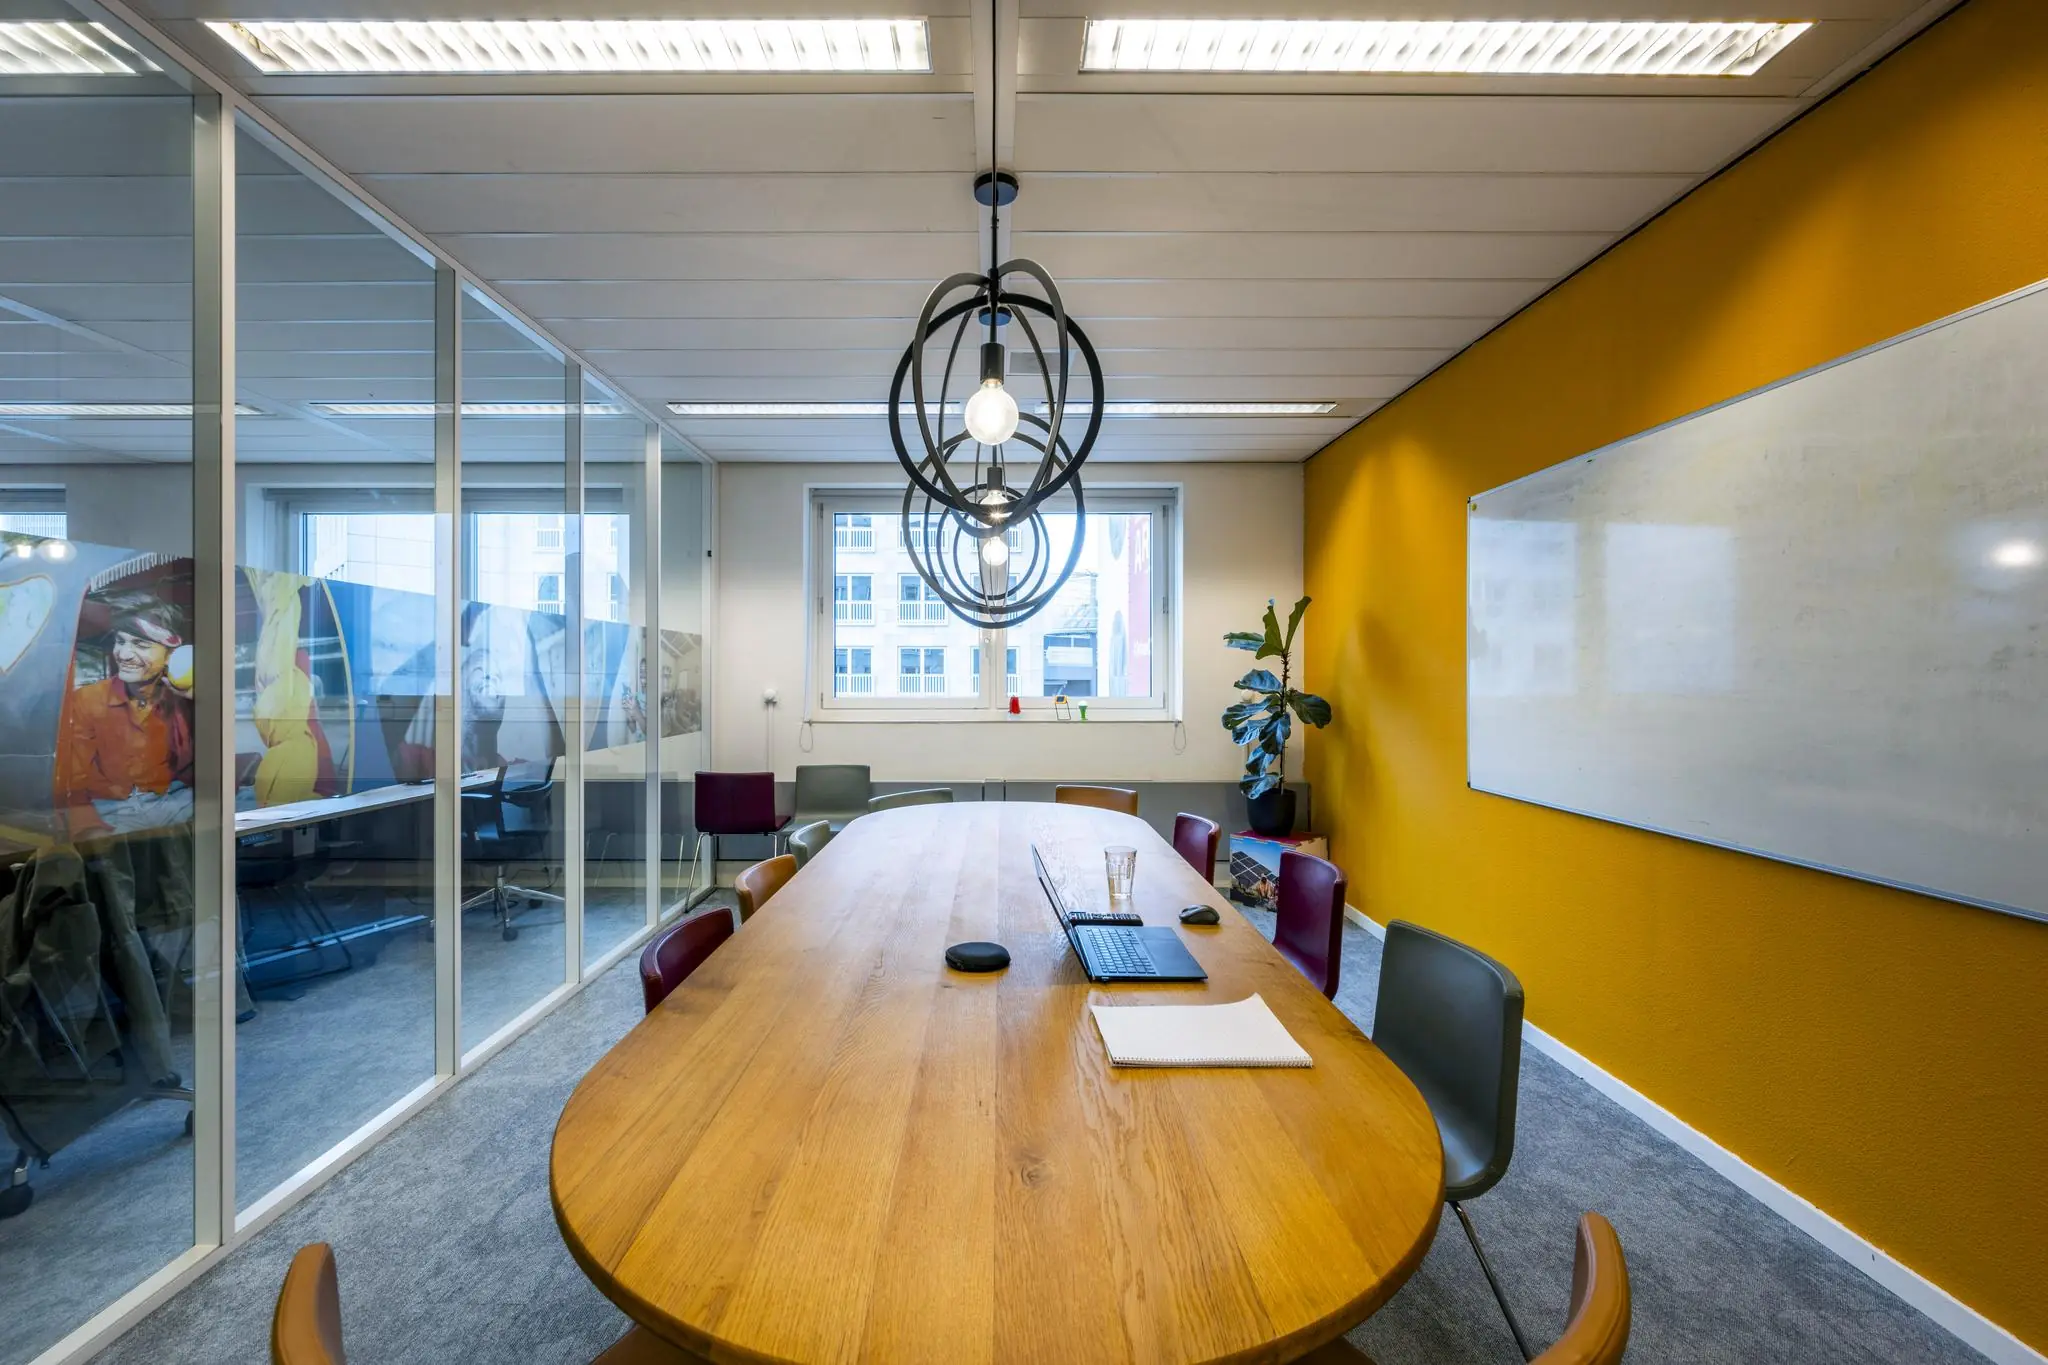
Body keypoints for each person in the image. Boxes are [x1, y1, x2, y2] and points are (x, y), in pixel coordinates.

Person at [54, 595, 195, 836]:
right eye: (121, 641)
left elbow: (207, 769)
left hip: (174, 802)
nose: (125, 655)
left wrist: (198, 701)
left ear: (171, 655)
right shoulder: (88, 700)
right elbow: (71, 782)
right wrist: (88, 830)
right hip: (110, 810)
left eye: (141, 645)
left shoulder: (184, 701)